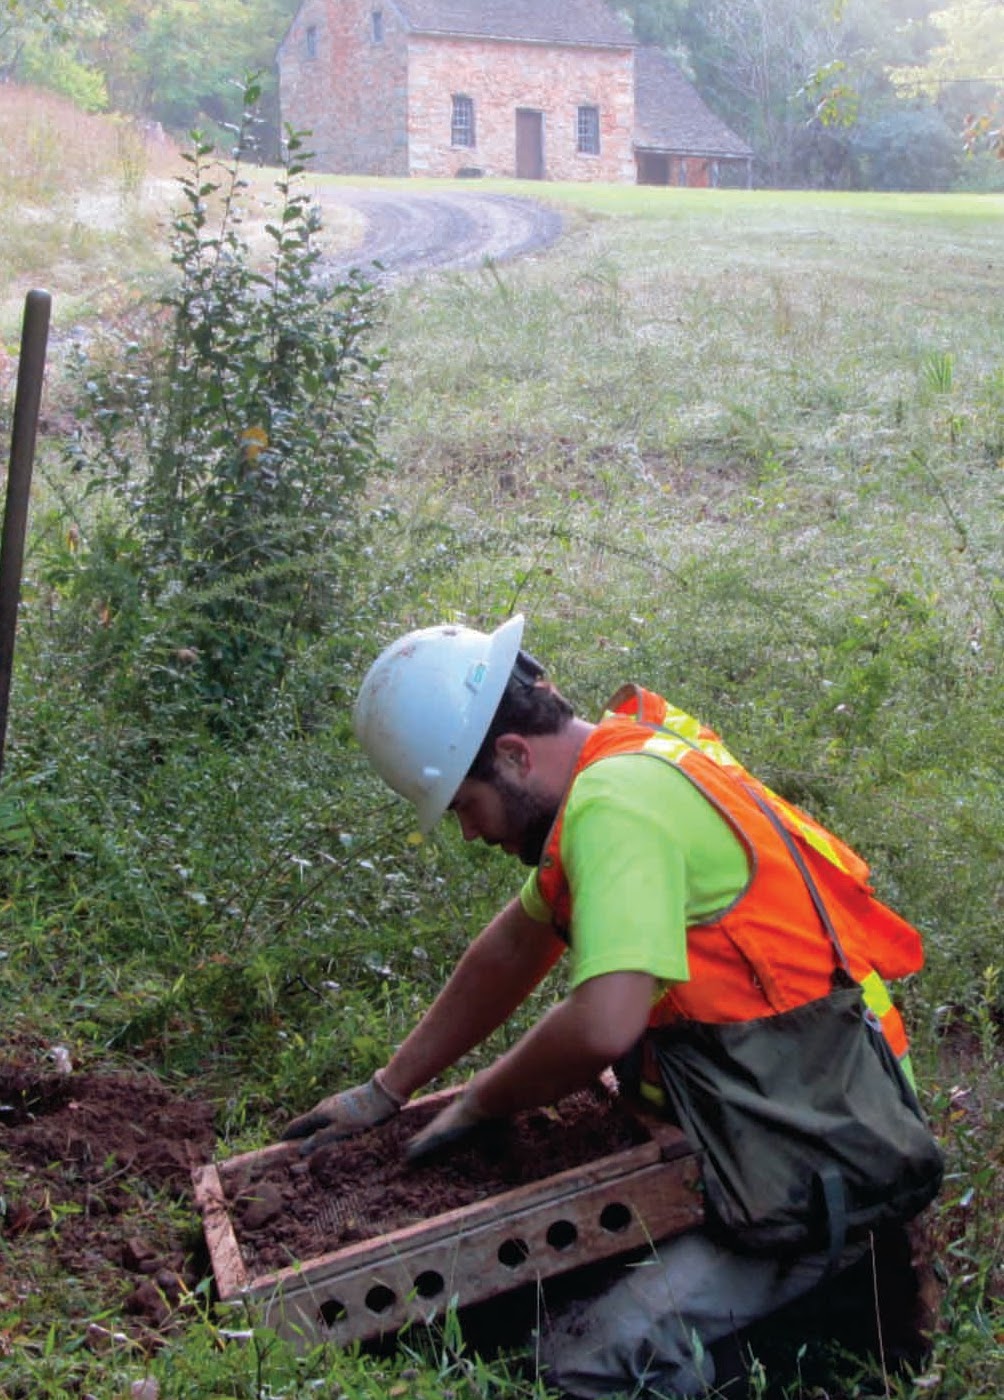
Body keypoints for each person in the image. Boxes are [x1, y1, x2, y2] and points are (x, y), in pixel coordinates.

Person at [283, 614, 942, 1398]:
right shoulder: (625, 763)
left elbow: (604, 1021)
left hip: (812, 1167)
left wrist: (479, 1104)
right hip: (770, 1119)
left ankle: (823, 1342)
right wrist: (388, 1089)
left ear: (513, 755)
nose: (467, 833)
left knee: (580, 1369)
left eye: (464, 806)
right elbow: (514, 947)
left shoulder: (615, 807)